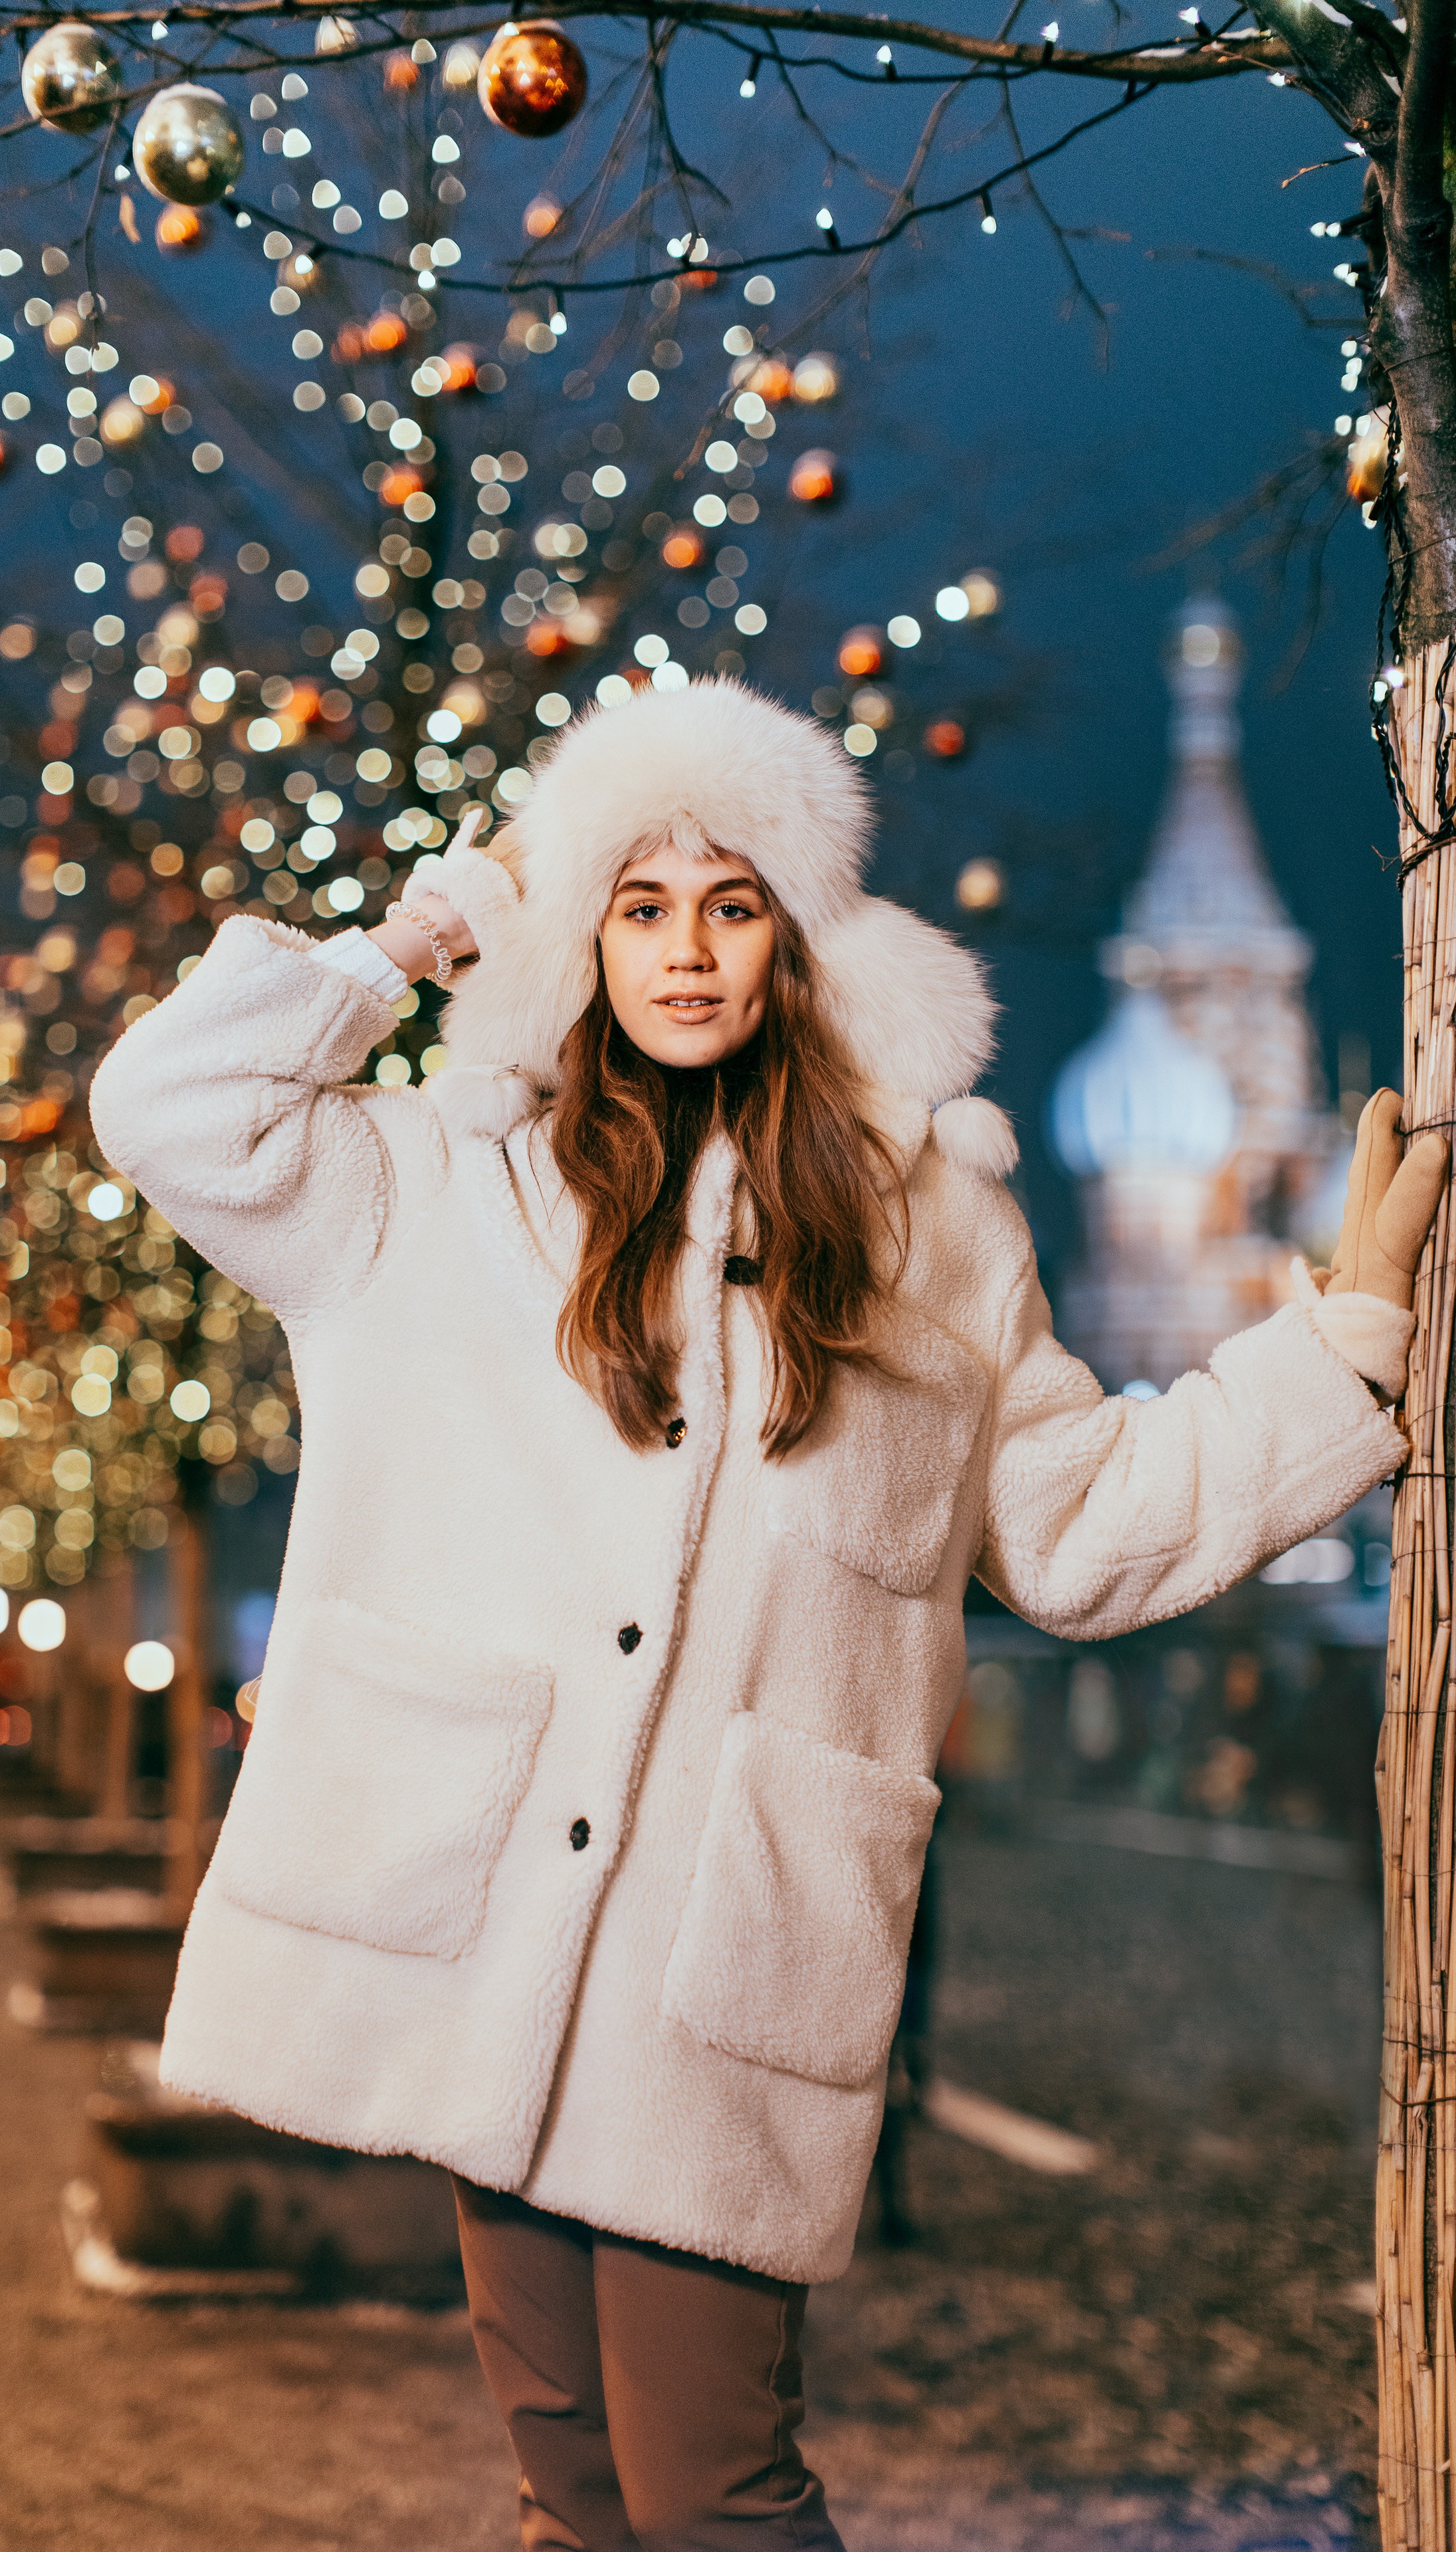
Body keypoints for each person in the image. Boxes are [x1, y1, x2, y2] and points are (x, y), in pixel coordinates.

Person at [91, 677, 1441, 2550]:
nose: (687, 952)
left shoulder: (927, 1227)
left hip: (723, 1961)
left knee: (717, 2496)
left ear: (797, 936)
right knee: (574, 2491)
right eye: (637, 903)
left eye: (731, 906)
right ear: (581, 929)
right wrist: (435, 922)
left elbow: (1080, 1525)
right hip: (491, 1930)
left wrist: (1338, 1348)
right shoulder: (440, 1177)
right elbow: (171, 1105)